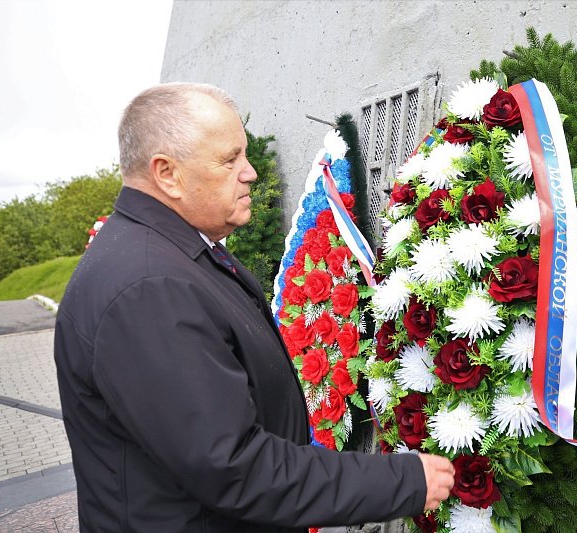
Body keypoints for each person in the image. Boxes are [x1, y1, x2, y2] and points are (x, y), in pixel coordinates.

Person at [54, 82, 454, 532]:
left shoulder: (168, 254)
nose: (250, 173)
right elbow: (234, 468)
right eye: (229, 160)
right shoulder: (149, 288)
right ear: (167, 173)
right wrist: (403, 481)